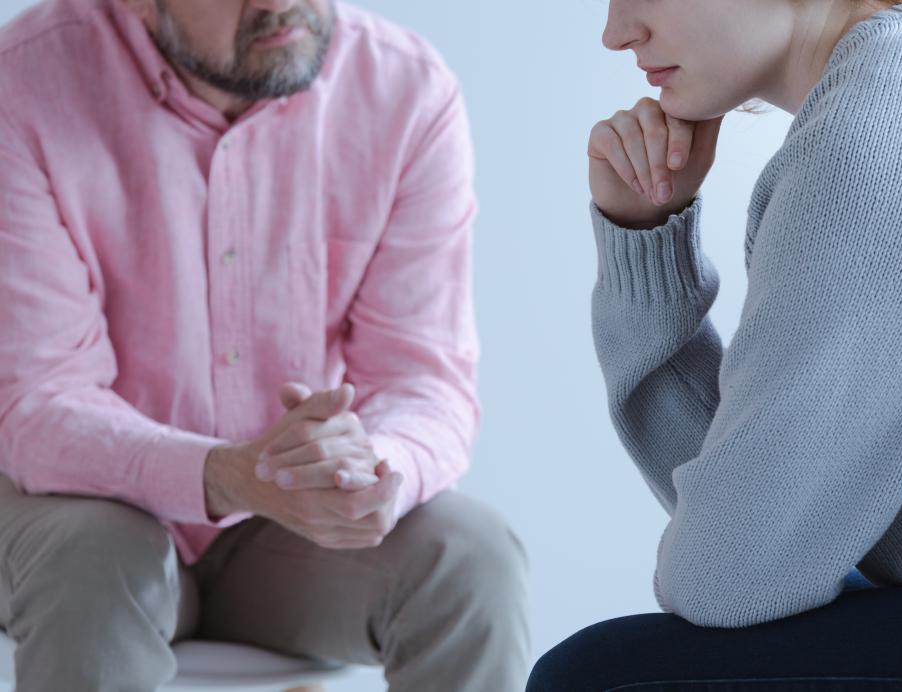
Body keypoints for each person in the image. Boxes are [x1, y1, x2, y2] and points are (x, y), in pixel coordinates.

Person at [0, 1, 530, 690]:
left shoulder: (406, 94)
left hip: (285, 534)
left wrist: (367, 470)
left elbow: (424, 381)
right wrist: (222, 474)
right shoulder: (25, 82)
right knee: (97, 560)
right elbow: (36, 403)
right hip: (74, 507)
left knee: (471, 560)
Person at [528, 0, 902, 689]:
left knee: (597, 677)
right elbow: (758, 529)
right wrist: (646, 238)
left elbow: (729, 575)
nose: (616, 34)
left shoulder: (899, 110)